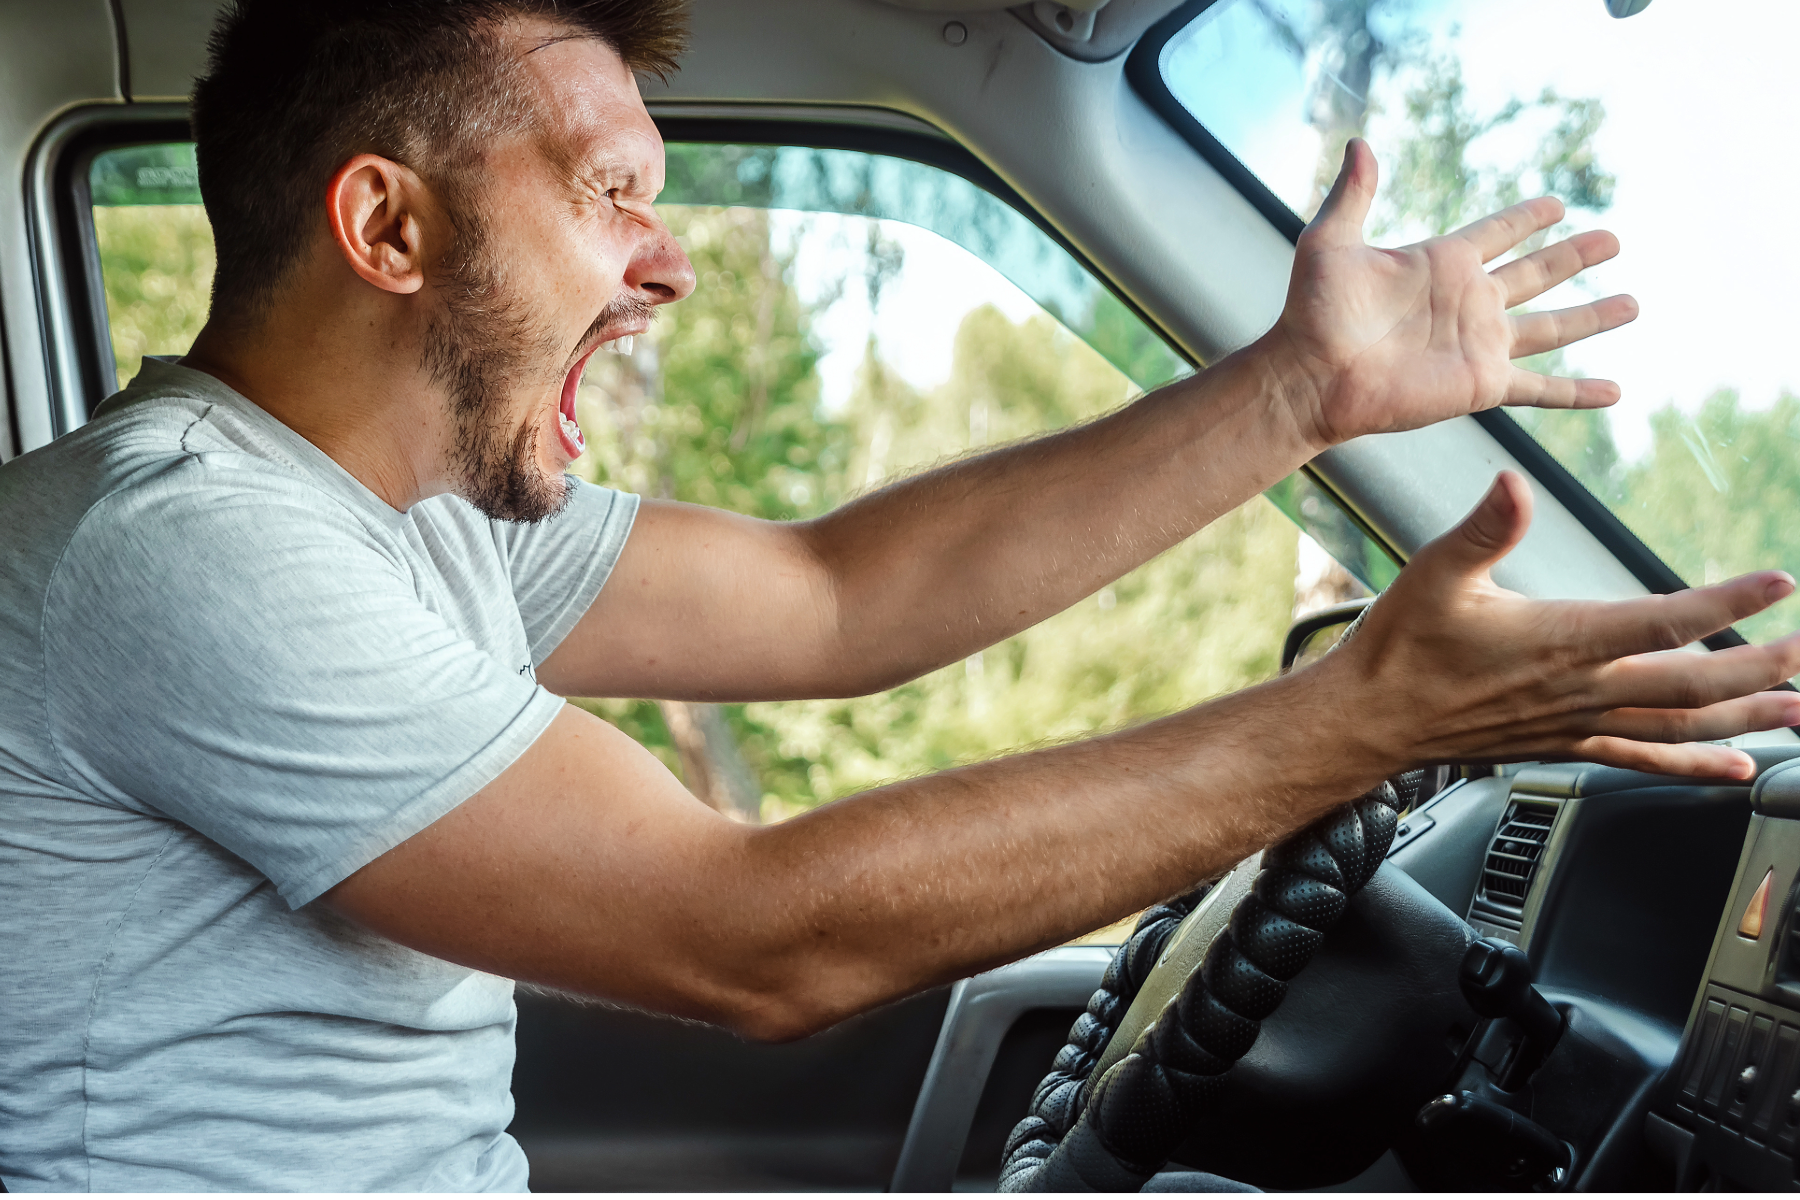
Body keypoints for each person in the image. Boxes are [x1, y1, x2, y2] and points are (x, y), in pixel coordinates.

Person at [2, 0, 1797, 1192]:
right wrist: (1358, 724)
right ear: (389, 232)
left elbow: (833, 598)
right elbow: (753, 934)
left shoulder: (411, 516)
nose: (671, 260)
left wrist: (1297, 392)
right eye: (611, 191)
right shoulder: (184, 552)